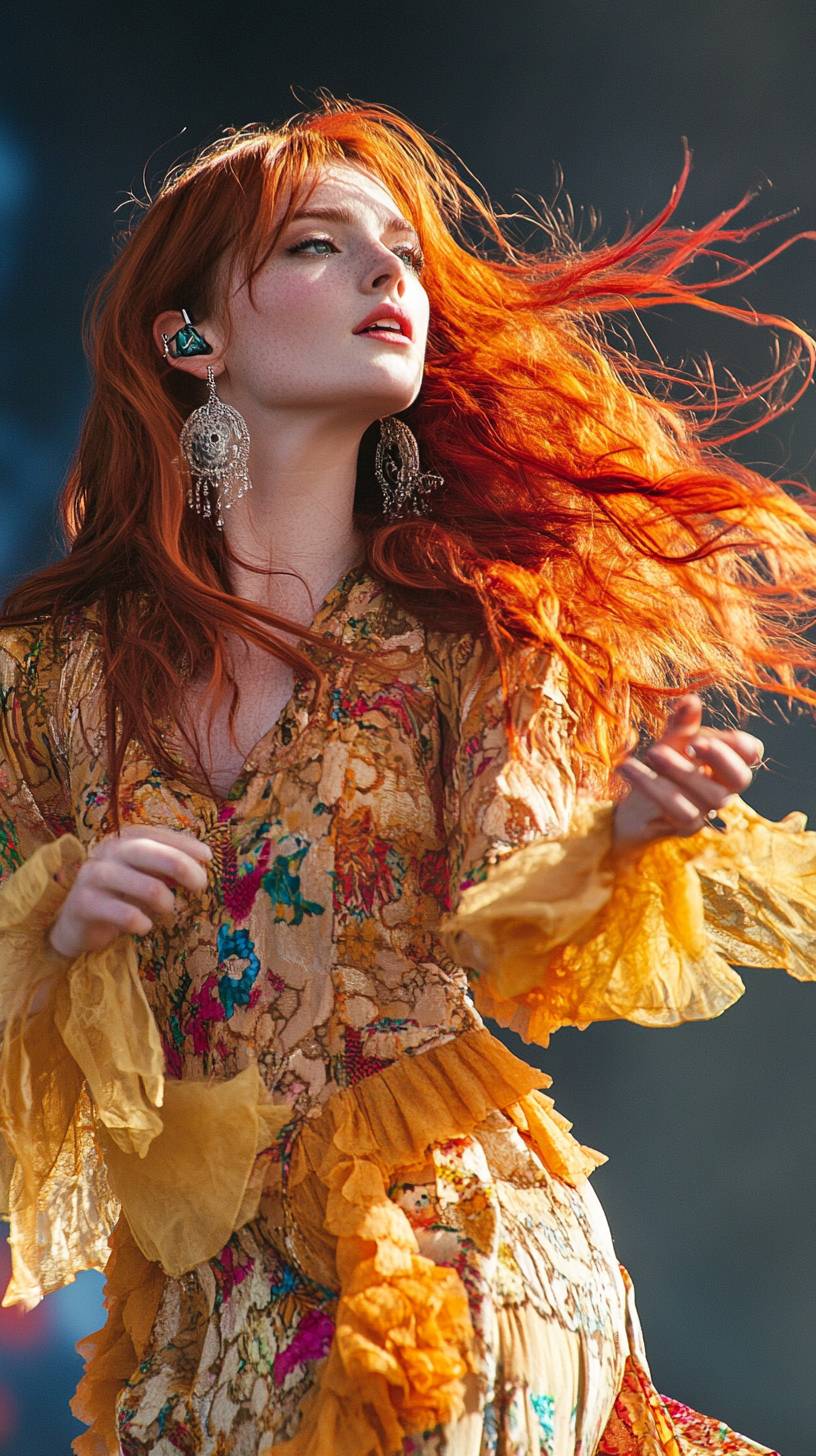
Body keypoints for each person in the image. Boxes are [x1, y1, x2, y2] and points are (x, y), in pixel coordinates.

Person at [1, 97, 815, 1456]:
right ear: (189, 337)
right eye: (323, 246)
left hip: (450, 1262)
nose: (392, 276)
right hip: (200, 1314)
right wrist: (59, 927)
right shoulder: (47, 677)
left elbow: (514, 929)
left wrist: (619, 839)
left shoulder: (484, 634)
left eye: (406, 256)